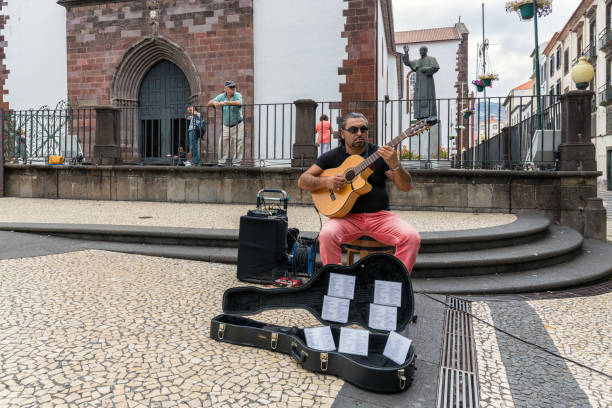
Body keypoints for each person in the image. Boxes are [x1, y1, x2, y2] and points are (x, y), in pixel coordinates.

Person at [297, 112, 421, 273]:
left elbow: (405, 186)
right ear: (342, 133)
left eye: (363, 129)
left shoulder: (380, 154)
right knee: (326, 235)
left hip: (380, 217)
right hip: (346, 218)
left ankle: (395, 282)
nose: (359, 133)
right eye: (353, 130)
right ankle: (336, 281)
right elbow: (303, 181)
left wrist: (395, 165)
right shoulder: (332, 157)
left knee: (412, 237)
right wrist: (325, 181)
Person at [208, 80, 244, 166]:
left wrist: (225, 103)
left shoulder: (237, 95)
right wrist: (214, 102)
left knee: (238, 144)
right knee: (222, 143)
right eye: (231, 87)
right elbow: (209, 103)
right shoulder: (221, 96)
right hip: (226, 125)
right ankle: (221, 163)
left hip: (237, 124)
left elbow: (239, 102)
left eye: (234, 87)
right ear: (226, 89)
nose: (233, 88)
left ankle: (236, 163)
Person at [402, 45, 439, 119]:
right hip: (419, 84)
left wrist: (427, 69)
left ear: (426, 51)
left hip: (428, 83)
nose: (421, 52)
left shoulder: (431, 59)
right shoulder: (417, 61)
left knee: (429, 97)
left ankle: (431, 115)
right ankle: (419, 115)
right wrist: (406, 53)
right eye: (420, 50)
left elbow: (436, 67)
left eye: (423, 50)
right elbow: (407, 62)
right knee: (418, 98)